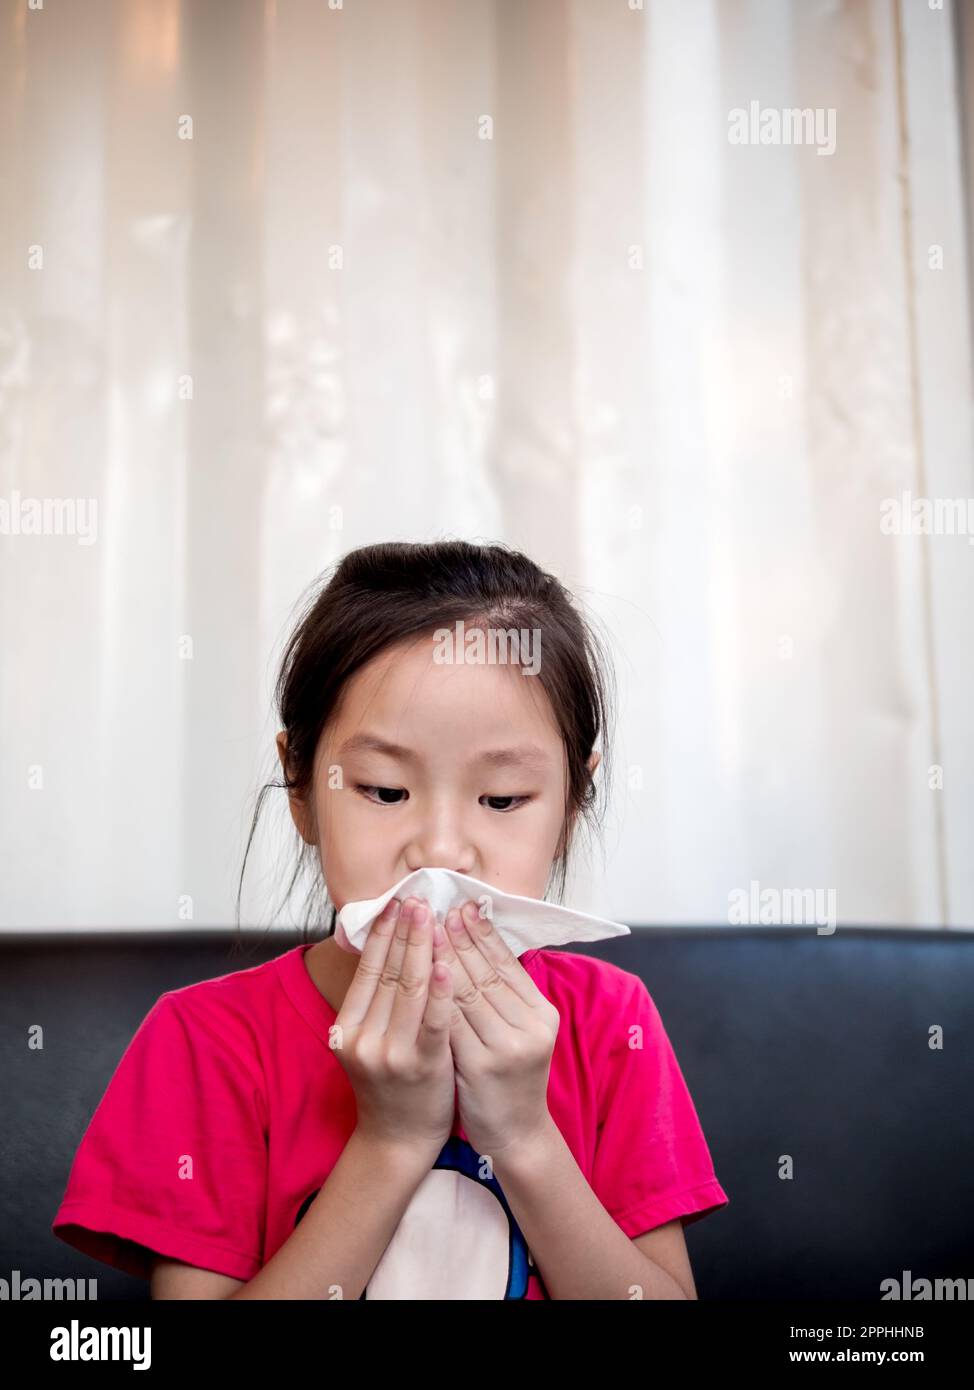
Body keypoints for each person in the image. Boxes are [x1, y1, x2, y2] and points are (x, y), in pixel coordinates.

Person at [52, 539, 729, 1299]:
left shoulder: (611, 1024)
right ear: (302, 788)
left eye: (502, 800)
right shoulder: (206, 1042)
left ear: (573, 804)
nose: (440, 851)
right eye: (381, 789)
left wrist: (525, 1135)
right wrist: (392, 1138)